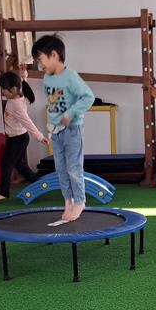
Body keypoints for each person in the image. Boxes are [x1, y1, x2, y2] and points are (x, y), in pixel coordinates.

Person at [31, 34, 94, 225]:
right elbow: (52, 104)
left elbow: (88, 97)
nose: (39, 64)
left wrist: (71, 113)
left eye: (40, 59)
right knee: (61, 169)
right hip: (55, 131)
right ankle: (68, 201)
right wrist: (51, 124)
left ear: (54, 55)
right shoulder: (46, 79)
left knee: (74, 168)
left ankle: (80, 201)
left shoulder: (71, 77)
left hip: (72, 130)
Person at [0, 71, 46, 202]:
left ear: (13, 89)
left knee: (6, 164)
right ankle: (36, 182)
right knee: (19, 164)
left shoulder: (15, 105)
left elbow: (27, 122)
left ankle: (4, 193)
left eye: (4, 90)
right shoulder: (18, 96)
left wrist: (39, 136)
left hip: (18, 139)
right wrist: (24, 77)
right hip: (16, 138)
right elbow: (22, 87)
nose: (2, 92)